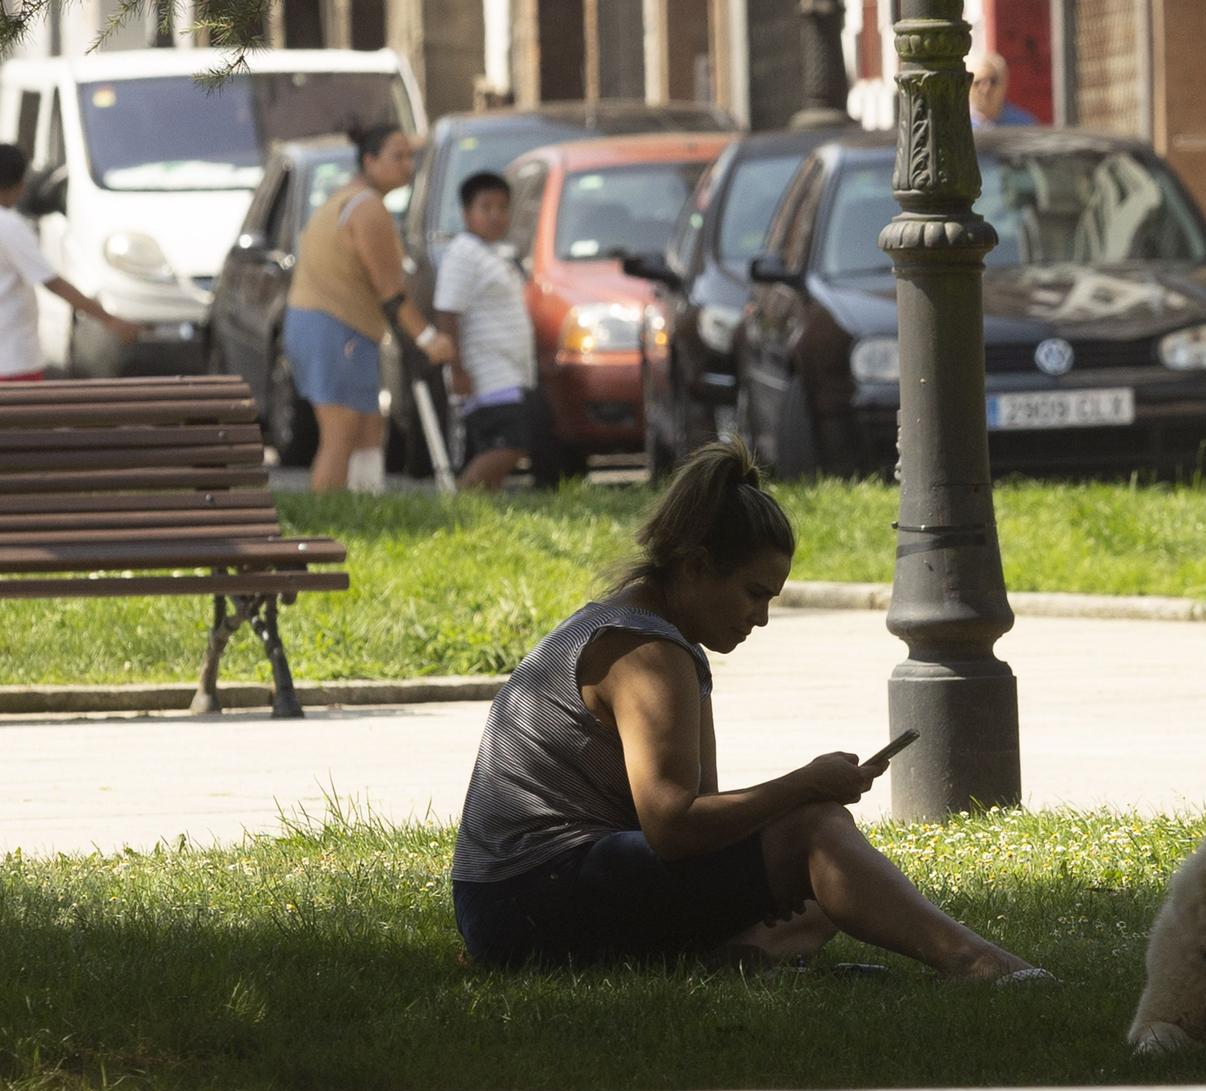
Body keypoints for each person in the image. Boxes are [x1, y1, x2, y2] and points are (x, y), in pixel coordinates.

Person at [450, 438, 1049, 982]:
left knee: (840, 887)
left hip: (524, 897)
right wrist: (804, 789)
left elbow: (701, 824)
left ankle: (734, 960)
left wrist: (766, 860)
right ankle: (978, 964)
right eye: (753, 593)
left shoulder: (660, 638)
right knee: (819, 833)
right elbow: (673, 825)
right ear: (696, 566)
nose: (760, 617)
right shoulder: (645, 650)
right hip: (523, 903)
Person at [284, 124, 455, 493]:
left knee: (367, 425)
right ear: (369, 160)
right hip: (332, 325)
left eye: (410, 155)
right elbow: (391, 291)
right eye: (398, 156)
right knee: (341, 431)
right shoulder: (367, 208)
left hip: (331, 325)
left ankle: (365, 507)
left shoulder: (347, 198)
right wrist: (427, 338)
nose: (408, 164)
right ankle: (328, 521)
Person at [432, 171, 551, 491]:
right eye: (486, 207)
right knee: (507, 445)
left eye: (502, 207)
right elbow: (447, 312)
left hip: (511, 370)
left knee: (511, 443)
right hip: (486, 371)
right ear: (467, 213)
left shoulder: (496, 252)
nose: (496, 215)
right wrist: (457, 369)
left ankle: (482, 513)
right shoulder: (462, 253)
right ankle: (462, 507)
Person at [0, 143, 142, 380]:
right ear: (19, 183)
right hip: (12, 358)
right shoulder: (9, 226)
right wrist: (110, 320)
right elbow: (52, 282)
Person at [969, 52, 1038, 128]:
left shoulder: (1023, 124)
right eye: (977, 83)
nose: (985, 89)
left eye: (992, 82)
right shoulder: (958, 125)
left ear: (1004, 85)